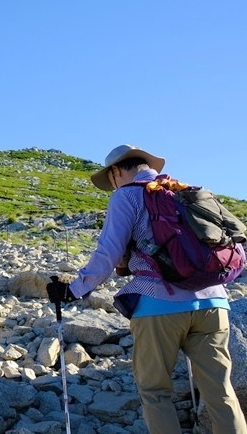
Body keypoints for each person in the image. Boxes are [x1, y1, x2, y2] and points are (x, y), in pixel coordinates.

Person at [47, 144, 247, 434]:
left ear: (116, 171)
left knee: (155, 392)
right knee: (221, 392)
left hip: (158, 305)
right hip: (214, 301)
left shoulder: (126, 196)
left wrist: (74, 290)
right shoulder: (187, 191)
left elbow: (108, 252)